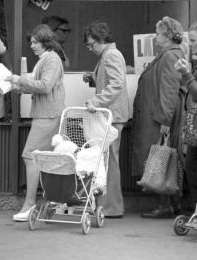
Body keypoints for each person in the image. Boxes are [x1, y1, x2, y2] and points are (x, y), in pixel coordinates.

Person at [6, 24, 65, 221]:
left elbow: (45, 86)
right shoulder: (47, 59)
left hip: (47, 115)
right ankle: (49, 202)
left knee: (30, 156)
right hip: (46, 114)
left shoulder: (51, 60)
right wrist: (20, 87)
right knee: (46, 160)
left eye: (34, 42)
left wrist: (20, 80)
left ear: (44, 42)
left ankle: (30, 204)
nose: (31, 46)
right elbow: (42, 86)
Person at [132, 16, 185, 218]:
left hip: (160, 117)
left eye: (158, 34)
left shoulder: (170, 56)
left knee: (160, 158)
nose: (155, 37)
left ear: (168, 36)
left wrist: (165, 120)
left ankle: (166, 204)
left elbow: (169, 90)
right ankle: (171, 203)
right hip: (158, 115)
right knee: (163, 157)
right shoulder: (169, 55)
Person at [82, 21, 129, 218]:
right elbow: (113, 81)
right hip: (111, 114)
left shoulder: (111, 55)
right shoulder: (108, 55)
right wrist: (93, 79)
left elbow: (117, 83)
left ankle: (112, 207)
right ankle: (109, 205)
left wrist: (97, 100)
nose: (90, 48)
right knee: (108, 159)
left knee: (110, 160)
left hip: (112, 115)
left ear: (101, 39)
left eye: (91, 44)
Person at [174, 22, 197, 219]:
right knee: (190, 166)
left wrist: (187, 74)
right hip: (194, 127)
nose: (189, 44)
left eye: (193, 40)